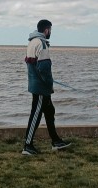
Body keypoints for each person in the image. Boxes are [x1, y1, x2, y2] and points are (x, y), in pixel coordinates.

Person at [22, 19, 71, 156]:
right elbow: (43, 68)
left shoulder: (32, 42)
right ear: (46, 30)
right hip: (41, 88)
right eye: (50, 29)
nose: (50, 32)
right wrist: (49, 84)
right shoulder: (42, 44)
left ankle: (56, 141)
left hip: (36, 84)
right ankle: (27, 146)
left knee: (50, 111)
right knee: (36, 115)